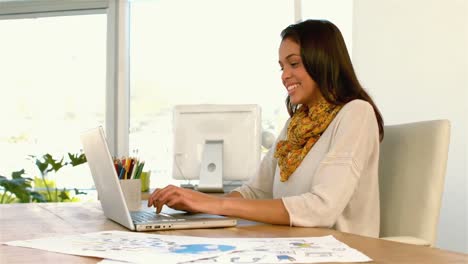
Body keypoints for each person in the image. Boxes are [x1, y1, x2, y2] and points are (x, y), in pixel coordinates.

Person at [148, 19, 384, 237]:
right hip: (293, 246)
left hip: (342, 251)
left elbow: (321, 208)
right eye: (282, 67)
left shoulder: (356, 113)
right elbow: (255, 192)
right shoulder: (296, 123)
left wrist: (213, 204)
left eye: (294, 64)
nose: (285, 75)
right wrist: (195, 203)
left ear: (322, 61)